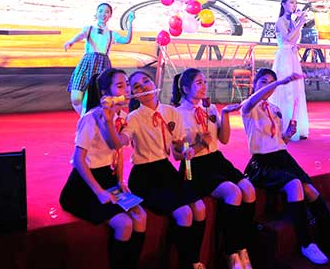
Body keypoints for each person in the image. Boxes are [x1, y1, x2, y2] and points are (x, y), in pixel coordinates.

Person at [241, 68, 330, 265]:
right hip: (262, 163)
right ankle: (306, 244)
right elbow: (254, 100)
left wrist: (287, 134)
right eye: (263, 81)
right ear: (255, 84)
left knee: (310, 190)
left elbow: (279, 142)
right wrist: (279, 82)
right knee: (295, 184)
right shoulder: (248, 106)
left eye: (271, 82)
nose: (267, 86)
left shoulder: (275, 109)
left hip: (283, 158)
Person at [59, 68, 146, 269]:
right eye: (120, 86)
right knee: (124, 224)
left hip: (108, 178)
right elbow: (78, 160)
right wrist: (99, 192)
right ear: (106, 93)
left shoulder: (122, 116)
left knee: (141, 216)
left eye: (127, 85)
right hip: (84, 185)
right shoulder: (91, 118)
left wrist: (120, 180)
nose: (128, 90)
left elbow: (118, 150)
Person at [171, 68, 256, 269]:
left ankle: (242, 246)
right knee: (233, 192)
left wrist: (224, 114)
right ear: (185, 88)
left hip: (216, 159)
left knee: (249, 190)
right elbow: (177, 154)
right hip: (193, 165)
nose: (204, 86)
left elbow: (223, 139)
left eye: (204, 82)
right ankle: (230, 251)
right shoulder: (177, 114)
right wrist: (198, 144)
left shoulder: (209, 109)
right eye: (199, 82)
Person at [124, 70, 207, 269]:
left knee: (200, 207)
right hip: (144, 176)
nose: (143, 87)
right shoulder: (133, 118)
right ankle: (187, 264)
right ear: (133, 94)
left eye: (146, 81)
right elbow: (121, 140)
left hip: (166, 170)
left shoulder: (171, 112)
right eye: (137, 87)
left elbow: (178, 144)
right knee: (184, 212)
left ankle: (194, 260)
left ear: (154, 84)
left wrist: (187, 149)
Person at [64, 3, 135, 115]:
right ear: (96, 13)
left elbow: (126, 40)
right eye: (101, 11)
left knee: (97, 97)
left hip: (103, 64)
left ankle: (92, 119)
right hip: (87, 63)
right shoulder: (89, 29)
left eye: (107, 12)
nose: (103, 14)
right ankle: (86, 118)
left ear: (110, 15)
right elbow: (81, 35)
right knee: (76, 98)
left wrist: (130, 23)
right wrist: (71, 41)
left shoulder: (111, 34)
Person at [269, 0, 310, 140]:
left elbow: (293, 39)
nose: (294, 5)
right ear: (283, 4)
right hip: (284, 58)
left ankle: (295, 126)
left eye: (295, 3)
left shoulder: (292, 21)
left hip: (292, 57)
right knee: (285, 91)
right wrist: (300, 23)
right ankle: (282, 126)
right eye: (291, 2)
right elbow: (287, 37)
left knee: (296, 90)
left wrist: (296, 45)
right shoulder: (280, 21)